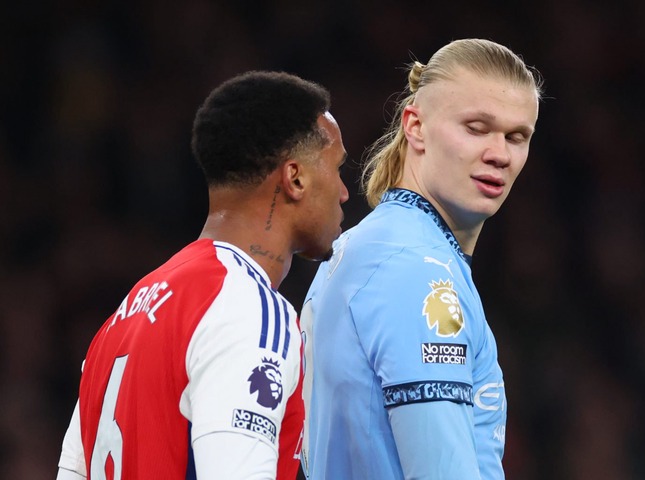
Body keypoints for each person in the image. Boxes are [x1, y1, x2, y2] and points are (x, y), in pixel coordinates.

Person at [55, 71, 349, 480]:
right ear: (295, 177)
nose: (344, 192)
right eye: (337, 167)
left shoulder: (122, 317)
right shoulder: (251, 311)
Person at [300, 38, 543, 479]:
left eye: (516, 136)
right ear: (415, 126)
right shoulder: (417, 269)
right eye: (476, 127)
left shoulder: (373, 247)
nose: (500, 154)